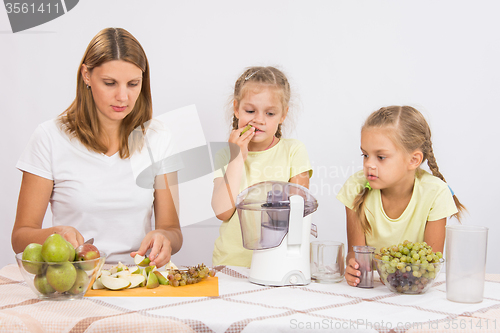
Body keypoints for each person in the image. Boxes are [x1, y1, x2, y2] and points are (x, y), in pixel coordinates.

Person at [12, 28, 183, 268]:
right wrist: (54, 234)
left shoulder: (158, 137)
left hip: (138, 280)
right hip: (73, 281)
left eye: (133, 84)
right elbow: (20, 237)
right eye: (110, 83)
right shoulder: (49, 138)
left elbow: (172, 230)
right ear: (86, 76)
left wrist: (164, 238)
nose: (123, 97)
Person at [337, 105, 466, 287]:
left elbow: (429, 265)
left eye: (380, 157)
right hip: (375, 294)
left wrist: (396, 272)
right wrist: (353, 266)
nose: (369, 164)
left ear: (414, 160)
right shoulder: (356, 187)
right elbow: (357, 256)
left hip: (414, 292)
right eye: (365, 155)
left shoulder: (435, 193)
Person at [211, 66, 313, 267]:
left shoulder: (293, 151)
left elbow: (297, 213)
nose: (259, 120)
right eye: (250, 111)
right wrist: (237, 158)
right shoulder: (226, 154)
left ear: (283, 115)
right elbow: (222, 212)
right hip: (231, 262)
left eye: (270, 113)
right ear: (236, 108)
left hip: (278, 263)